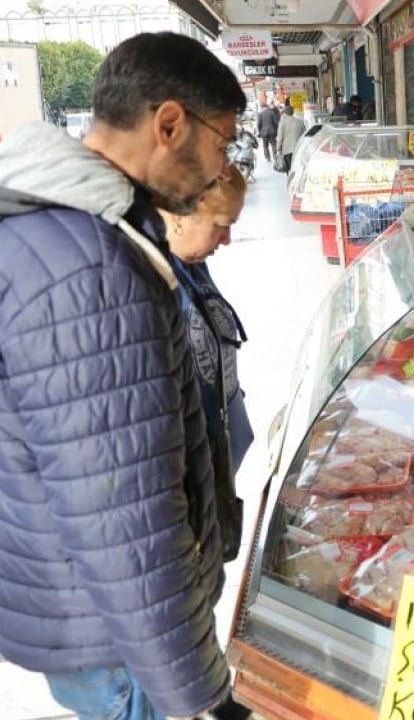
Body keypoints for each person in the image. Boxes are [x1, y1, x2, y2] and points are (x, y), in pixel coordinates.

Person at [0, 32, 246, 720]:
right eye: (221, 142)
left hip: (89, 621)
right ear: (169, 124)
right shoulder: (88, 266)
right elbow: (124, 521)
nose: (219, 168)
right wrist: (198, 695)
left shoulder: (46, 228)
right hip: (121, 648)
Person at [161, 167, 253, 565]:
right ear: (179, 215)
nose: (227, 239)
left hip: (212, 462)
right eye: (220, 225)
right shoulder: (146, 283)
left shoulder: (192, 265)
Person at [274, 103, 306, 173]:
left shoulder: (282, 122)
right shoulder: (300, 122)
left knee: (289, 170)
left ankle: (291, 181)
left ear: (285, 113)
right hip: (298, 149)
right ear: (292, 112)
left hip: (287, 150)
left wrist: (278, 149)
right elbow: (304, 136)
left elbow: (279, 138)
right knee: (297, 167)